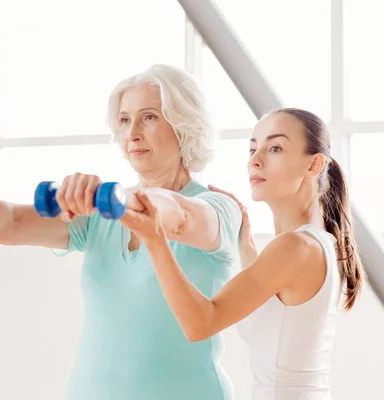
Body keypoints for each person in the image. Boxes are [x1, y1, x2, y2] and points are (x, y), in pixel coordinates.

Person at [0, 64, 242, 399]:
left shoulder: (218, 209)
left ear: (184, 125)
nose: (131, 133)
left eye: (148, 118)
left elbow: (178, 215)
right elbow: (10, 220)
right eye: (124, 120)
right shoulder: (102, 214)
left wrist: (119, 199)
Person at [120, 107, 366, 400]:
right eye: (252, 149)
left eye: (275, 148)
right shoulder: (316, 244)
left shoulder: (295, 248)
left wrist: (155, 239)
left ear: (313, 165)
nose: (255, 161)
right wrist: (245, 243)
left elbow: (200, 324)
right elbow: (273, 305)